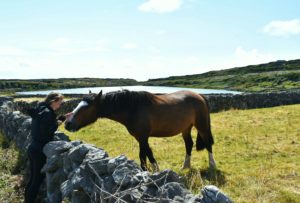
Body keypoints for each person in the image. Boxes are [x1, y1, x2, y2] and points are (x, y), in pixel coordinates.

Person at [24, 92, 65, 203]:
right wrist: (58, 123)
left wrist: (56, 121)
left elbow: (43, 126)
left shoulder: (41, 109)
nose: (60, 105)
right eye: (59, 103)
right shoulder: (47, 113)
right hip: (39, 150)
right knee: (37, 180)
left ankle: (27, 200)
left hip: (33, 147)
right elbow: (46, 133)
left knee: (33, 178)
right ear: (53, 101)